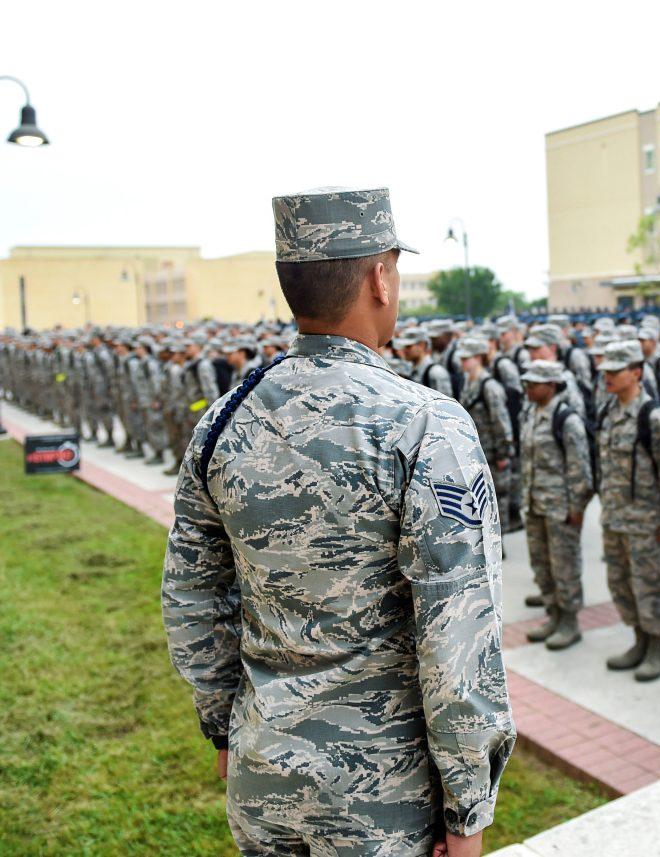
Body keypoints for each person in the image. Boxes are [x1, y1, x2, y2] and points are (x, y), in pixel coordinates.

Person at [162, 186, 513, 857]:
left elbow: (192, 596)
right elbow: (457, 638)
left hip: (266, 775)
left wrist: (223, 727)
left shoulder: (223, 422)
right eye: (396, 268)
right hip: (382, 799)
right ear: (380, 276)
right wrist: (467, 809)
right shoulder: (428, 426)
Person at [595, 340, 660, 681]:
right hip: (616, 520)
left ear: (636, 372)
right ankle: (638, 639)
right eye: (605, 370)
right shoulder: (609, 412)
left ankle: (657, 647)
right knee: (621, 585)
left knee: (649, 586)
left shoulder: (653, 417)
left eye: (615, 370)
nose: (606, 376)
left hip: (646, 524)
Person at [518, 359, 594, 650]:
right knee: (542, 564)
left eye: (534, 384)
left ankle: (569, 621)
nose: (527, 388)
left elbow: (580, 470)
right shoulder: (532, 414)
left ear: (550, 386)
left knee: (564, 567)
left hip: (560, 509)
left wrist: (577, 508)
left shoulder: (567, 420)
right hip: (536, 504)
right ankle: (553, 614)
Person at [456, 337, 515, 536]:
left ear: (479, 358)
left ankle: (500, 541)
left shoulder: (490, 386)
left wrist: (503, 454)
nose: (463, 362)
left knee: (497, 499)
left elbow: (501, 422)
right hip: (475, 452)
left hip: (492, 453)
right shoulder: (468, 382)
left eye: (467, 358)